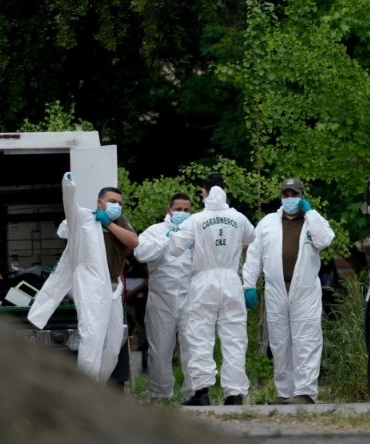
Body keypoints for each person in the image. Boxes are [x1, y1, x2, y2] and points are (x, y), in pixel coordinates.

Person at [29, 174, 139, 384]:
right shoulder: (83, 219)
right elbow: (69, 205)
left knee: (114, 346)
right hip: (91, 287)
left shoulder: (120, 222)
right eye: (112, 202)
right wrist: (68, 187)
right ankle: (87, 390)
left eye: (119, 203)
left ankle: (97, 385)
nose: (116, 206)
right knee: (92, 338)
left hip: (114, 288)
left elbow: (133, 241)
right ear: (100, 202)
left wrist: (110, 224)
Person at [242, 178, 335, 405]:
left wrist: (311, 213)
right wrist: (248, 285)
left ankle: (305, 392)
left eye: (295, 194)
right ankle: (285, 393)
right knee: (279, 341)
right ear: (281, 197)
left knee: (306, 339)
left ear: (302, 196)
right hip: (275, 290)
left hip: (304, 289)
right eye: (286, 194)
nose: (290, 198)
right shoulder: (267, 223)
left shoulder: (312, 221)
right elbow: (254, 254)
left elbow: (325, 240)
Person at [168, 174, 255, 406]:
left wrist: (173, 233)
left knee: (200, 336)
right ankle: (234, 394)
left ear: (204, 191)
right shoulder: (238, 217)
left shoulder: (196, 220)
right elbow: (251, 237)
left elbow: (175, 247)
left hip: (203, 280)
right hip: (230, 279)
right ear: (225, 190)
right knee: (235, 338)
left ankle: (201, 392)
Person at [132, 192, 194, 399]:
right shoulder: (155, 231)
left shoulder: (196, 231)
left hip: (190, 297)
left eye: (186, 210)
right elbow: (140, 254)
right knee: (159, 349)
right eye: (178, 209)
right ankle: (159, 392)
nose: (182, 213)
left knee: (192, 347)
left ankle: (194, 392)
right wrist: (166, 239)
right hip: (161, 298)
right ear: (169, 210)